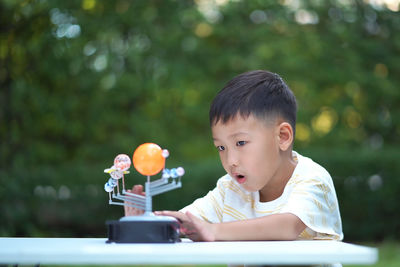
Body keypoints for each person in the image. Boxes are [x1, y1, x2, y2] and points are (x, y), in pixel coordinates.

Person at [125, 70, 343, 242]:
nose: (230, 161)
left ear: (283, 137)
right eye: (221, 148)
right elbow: (185, 223)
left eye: (241, 143)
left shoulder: (313, 179)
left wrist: (214, 231)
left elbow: (287, 227)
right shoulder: (229, 190)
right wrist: (143, 224)